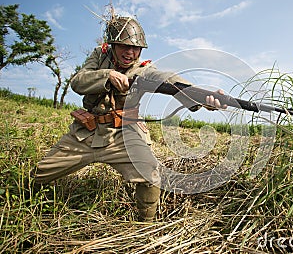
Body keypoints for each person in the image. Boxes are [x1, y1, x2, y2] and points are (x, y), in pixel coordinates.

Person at [29, 15, 226, 221]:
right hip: (86, 133)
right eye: (123, 46)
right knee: (39, 174)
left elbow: (168, 80)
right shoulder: (99, 55)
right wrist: (107, 76)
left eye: (136, 48)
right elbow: (78, 81)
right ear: (112, 44)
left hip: (124, 135)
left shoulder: (145, 70)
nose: (130, 52)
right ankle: (26, 207)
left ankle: (145, 228)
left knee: (151, 173)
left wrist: (202, 96)